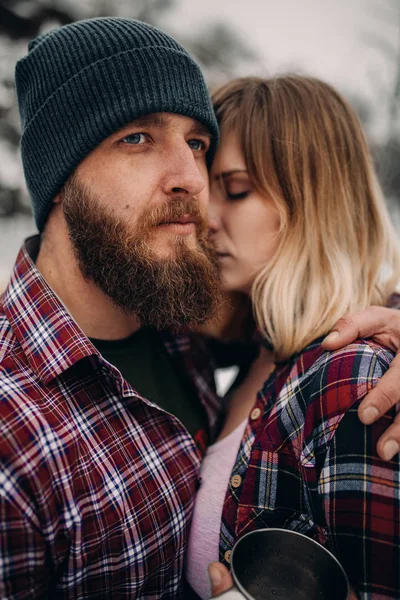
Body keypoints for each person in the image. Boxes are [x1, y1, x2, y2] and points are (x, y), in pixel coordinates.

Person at [1, 17, 400, 600]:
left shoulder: (181, 327)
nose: (194, 183)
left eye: (198, 146)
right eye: (137, 137)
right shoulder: (15, 428)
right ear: (59, 176)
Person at [185, 76, 400, 599]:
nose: (206, 218)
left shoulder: (355, 381)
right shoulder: (245, 354)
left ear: (315, 201)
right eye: (203, 188)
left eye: (236, 189)